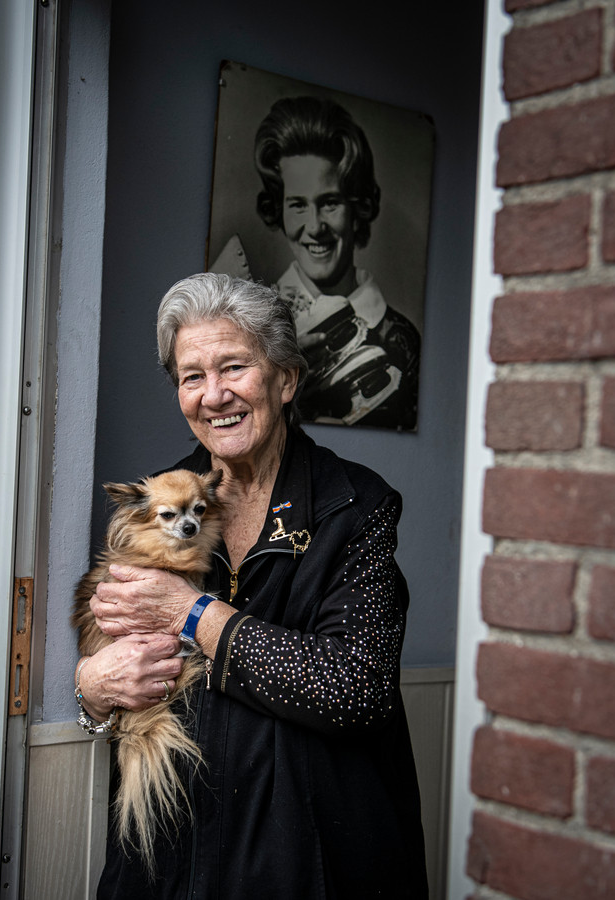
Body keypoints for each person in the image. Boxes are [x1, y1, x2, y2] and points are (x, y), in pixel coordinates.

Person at [75, 273, 428, 898]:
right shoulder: (157, 502)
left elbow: (354, 690)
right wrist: (92, 687)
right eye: (191, 376)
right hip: (173, 855)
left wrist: (192, 613)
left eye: (234, 367)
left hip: (309, 855)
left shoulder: (354, 505)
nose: (214, 395)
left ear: (285, 379)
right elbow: (111, 645)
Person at [253, 95, 420, 431]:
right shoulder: (248, 328)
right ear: (279, 211)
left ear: (356, 208)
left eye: (330, 203)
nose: (315, 227)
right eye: (298, 205)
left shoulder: (405, 342)